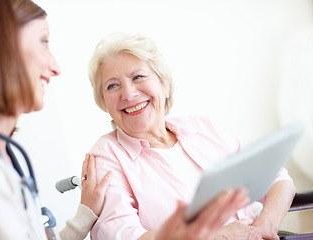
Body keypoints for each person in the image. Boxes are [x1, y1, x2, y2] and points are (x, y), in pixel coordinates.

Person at [0, 1, 249, 240]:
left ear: (164, 83)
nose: (55, 67)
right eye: (43, 42)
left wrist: (84, 215)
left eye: (138, 77)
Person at [87, 32, 297, 240]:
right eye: (112, 85)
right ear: (104, 102)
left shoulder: (201, 127)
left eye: (138, 77)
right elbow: (124, 236)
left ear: (164, 85)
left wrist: (264, 226)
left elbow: (278, 179)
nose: (129, 94)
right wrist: (218, 237)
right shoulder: (106, 155)